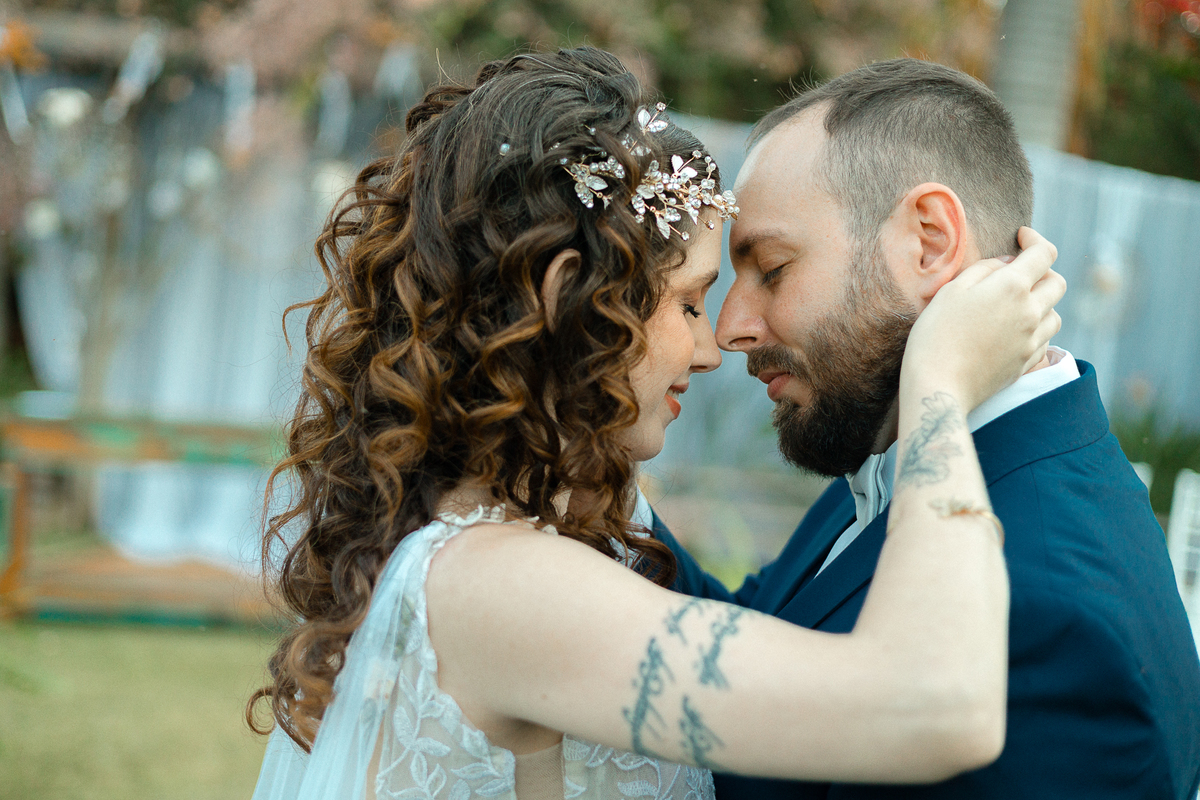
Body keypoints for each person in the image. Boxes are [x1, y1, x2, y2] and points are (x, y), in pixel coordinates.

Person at [248, 48, 1063, 800]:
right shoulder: (506, 590)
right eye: (688, 303)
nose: (713, 349)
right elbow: (940, 709)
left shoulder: (517, 535)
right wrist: (939, 384)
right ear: (567, 303)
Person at [654, 58, 1200, 800]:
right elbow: (759, 630)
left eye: (773, 268)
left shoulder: (1057, 621)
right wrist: (579, 468)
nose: (730, 329)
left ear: (931, 241)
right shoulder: (906, 436)